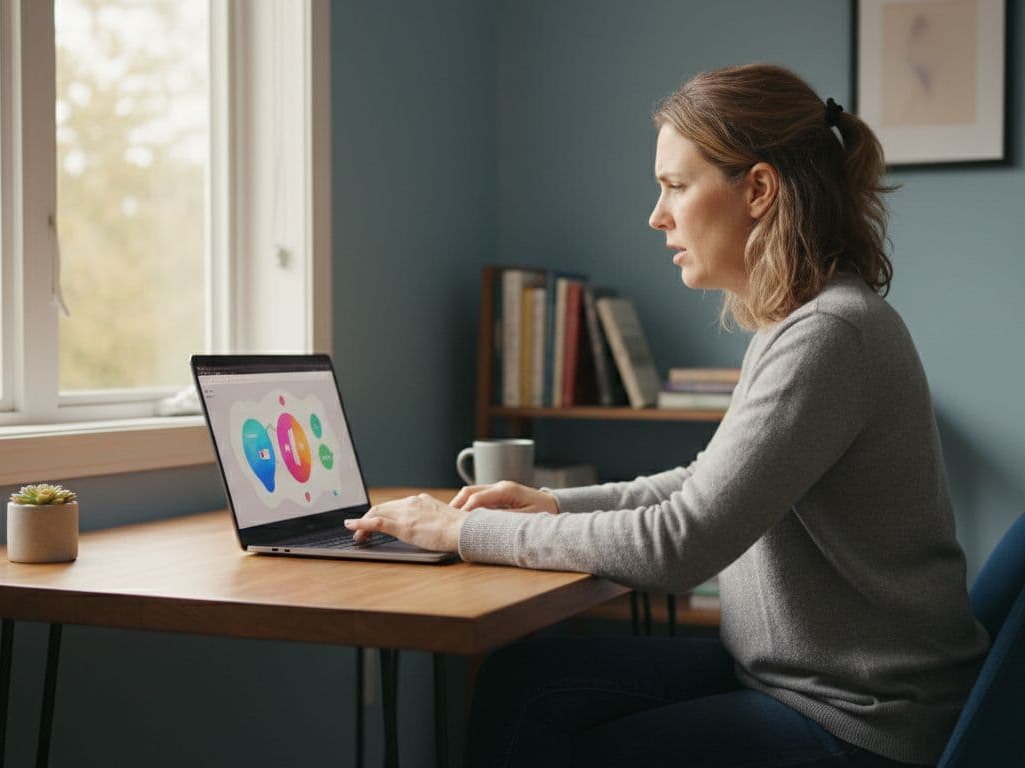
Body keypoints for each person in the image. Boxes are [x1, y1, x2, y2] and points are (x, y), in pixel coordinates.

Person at [345, 63, 990, 768]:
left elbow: (681, 544)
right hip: (802, 684)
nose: (657, 214)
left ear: (760, 190)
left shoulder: (829, 336)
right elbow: (701, 483)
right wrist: (551, 504)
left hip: (856, 725)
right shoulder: (803, 324)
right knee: (522, 683)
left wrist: (463, 529)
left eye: (676, 186)